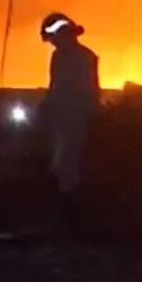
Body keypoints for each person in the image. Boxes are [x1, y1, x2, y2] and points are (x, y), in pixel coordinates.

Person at [38, 12, 100, 195]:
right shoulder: (59, 56)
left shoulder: (84, 57)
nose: (53, 43)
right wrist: (47, 105)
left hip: (75, 114)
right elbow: (55, 84)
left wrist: (90, 110)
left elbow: (89, 87)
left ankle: (68, 194)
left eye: (53, 38)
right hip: (60, 114)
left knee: (69, 157)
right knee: (59, 156)